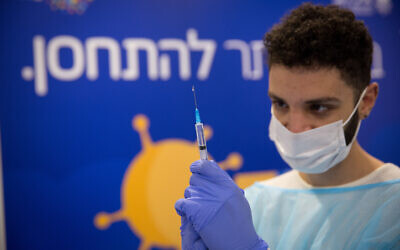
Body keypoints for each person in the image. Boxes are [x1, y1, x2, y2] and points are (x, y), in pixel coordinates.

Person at [175, 3, 400, 249]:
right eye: (280, 104)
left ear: (366, 101)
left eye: (318, 107)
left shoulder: (393, 205)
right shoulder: (254, 203)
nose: (295, 126)